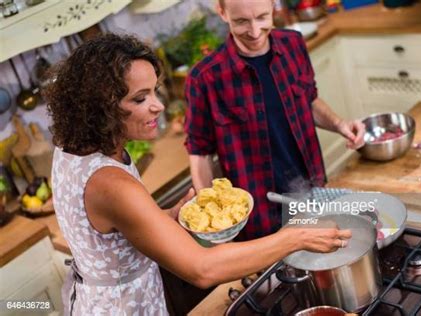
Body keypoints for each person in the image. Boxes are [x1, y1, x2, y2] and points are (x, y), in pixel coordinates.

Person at [44, 33, 351, 315]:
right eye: (140, 99)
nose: (159, 106)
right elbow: (202, 269)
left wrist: (164, 217)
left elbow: (108, 235)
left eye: (154, 92)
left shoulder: (73, 149)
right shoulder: (111, 184)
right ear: (101, 108)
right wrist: (295, 237)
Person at [184, 0, 365, 240]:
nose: (255, 31)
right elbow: (200, 152)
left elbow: (308, 101)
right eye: (241, 21)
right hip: (259, 214)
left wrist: (340, 124)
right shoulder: (205, 78)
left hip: (311, 190)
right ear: (222, 12)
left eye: (262, 17)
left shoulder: (293, 44)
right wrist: (212, 219)